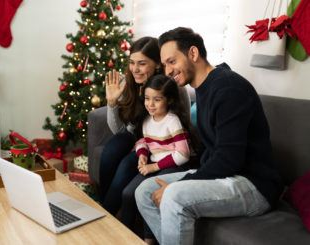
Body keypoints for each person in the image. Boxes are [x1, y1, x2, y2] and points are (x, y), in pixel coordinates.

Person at [135, 27, 283, 245]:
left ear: (193, 54)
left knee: (174, 197)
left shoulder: (228, 88)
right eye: (165, 64)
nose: (167, 70)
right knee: (145, 191)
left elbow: (229, 158)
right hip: (225, 176)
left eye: (171, 61)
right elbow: (211, 152)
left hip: (252, 185)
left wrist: (182, 184)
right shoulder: (204, 87)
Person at [120, 74, 200, 244]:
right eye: (147, 99)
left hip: (177, 165)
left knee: (149, 194)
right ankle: (123, 235)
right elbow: (143, 140)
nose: (150, 104)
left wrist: (154, 167)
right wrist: (142, 155)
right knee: (128, 193)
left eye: (157, 99)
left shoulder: (172, 121)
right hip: (157, 164)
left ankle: (149, 240)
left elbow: (183, 155)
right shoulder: (147, 119)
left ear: (169, 100)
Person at [99, 37, 166, 215]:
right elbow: (118, 131)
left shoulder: (166, 87)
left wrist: (139, 147)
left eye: (142, 63)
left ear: (157, 64)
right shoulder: (127, 83)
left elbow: (173, 130)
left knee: (126, 165)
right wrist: (112, 103)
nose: (135, 69)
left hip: (157, 143)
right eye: (132, 63)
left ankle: (106, 214)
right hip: (135, 136)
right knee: (111, 150)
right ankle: (102, 206)